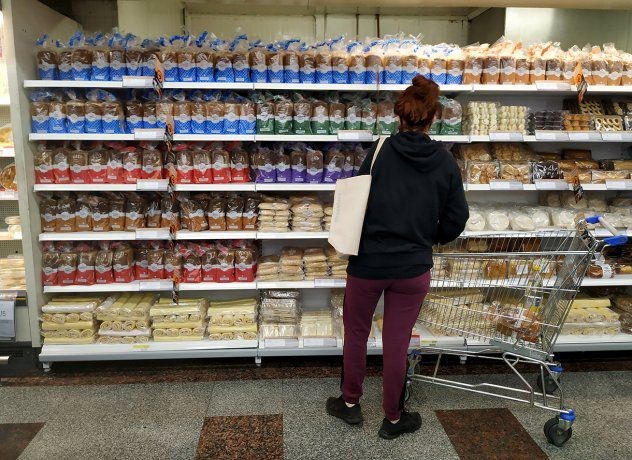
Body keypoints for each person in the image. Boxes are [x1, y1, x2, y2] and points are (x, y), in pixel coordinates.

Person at [326, 75, 469, 440]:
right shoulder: (445, 161)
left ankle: (350, 403)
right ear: (433, 118)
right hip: (413, 268)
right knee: (397, 342)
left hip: (368, 263)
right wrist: (430, 237)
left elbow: (359, 200)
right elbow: (457, 218)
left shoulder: (379, 152)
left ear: (399, 116)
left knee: (356, 333)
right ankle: (393, 418)